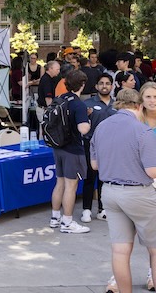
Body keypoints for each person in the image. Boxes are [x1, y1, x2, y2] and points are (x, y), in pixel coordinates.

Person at [91, 88, 156, 293]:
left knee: (120, 250)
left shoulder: (101, 127)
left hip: (109, 193)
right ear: (138, 106)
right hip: (139, 193)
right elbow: (152, 171)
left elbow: (94, 165)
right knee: (155, 249)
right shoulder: (142, 130)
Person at [48, 69, 91, 234]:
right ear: (82, 84)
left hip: (58, 147)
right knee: (71, 186)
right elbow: (83, 129)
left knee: (59, 183)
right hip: (73, 149)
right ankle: (67, 222)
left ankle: (55, 217)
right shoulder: (78, 104)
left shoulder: (60, 99)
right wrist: (87, 120)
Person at [82, 73, 116, 223]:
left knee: (105, 179)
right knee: (90, 177)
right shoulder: (87, 103)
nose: (104, 86)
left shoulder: (117, 105)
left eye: (107, 83)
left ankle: (102, 209)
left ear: (112, 86)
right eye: (101, 83)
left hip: (110, 146)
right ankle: (86, 210)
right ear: (96, 86)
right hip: (91, 144)